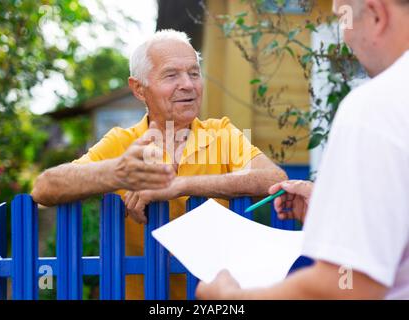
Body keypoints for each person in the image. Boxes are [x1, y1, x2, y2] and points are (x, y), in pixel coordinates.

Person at [31, 29, 287, 299]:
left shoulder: (222, 133)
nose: (188, 84)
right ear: (139, 89)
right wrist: (118, 173)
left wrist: (179, 186)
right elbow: (44, 190)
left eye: (194, 73)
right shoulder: (123, 142)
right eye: (171, 75)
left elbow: (273, 179)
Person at [196, 0, 409, 299]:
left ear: (376, 14)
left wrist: (229, 299)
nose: (344, 39)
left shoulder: (376, 107)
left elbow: (344, 287)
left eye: (343, 19)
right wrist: (336, 213)